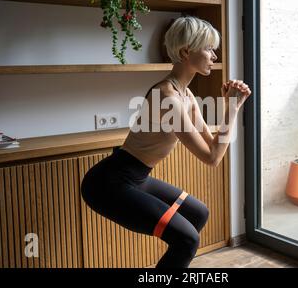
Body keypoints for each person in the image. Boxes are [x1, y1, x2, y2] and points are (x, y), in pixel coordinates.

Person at [80, 16, 252, 268]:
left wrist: (230, 106)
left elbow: (213, 145)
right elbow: (212, 158)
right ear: (185, 52)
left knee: (197, 213)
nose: (214, 56)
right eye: (208, 48)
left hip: (137, 177)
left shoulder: (186, 95)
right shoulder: (167, 97)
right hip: (109, 183)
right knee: (186, 240)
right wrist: (233, 109)